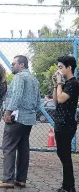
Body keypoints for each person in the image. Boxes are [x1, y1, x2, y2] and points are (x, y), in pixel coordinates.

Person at [0, 55, 41, 189]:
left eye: (13, 64)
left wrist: (8, 113)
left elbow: (17, 95)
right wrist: (31, 113)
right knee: (24, 148)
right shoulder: (34, 79)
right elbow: (38, 102)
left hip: (16, 118)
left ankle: (8, 180)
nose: (11, 66)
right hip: (29, 119)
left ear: (22, 65)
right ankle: (21, 180)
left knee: (8, 147)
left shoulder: (19, 77)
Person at [52, 56, 79, 192]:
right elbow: (56, 100)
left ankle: (69, 187)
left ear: (69, 68)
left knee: (65, 155)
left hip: (66, 124)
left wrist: (60, 84)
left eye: (60, 67)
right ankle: (67, 186)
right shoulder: (65, 83)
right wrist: (56, 84)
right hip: (60, 122)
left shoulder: (73, 83)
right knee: (62, 154)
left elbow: (62, 99)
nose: (58, 70)